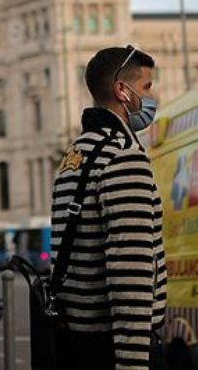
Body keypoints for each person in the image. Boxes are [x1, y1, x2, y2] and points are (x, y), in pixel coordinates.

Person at [50, 45, 168, 369]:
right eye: (146, 87)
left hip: (78, 342)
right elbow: (130, 274)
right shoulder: (123, 156)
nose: (152, 96)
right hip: (116, 349)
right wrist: (133, 363)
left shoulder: (75, 156)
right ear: (122, 90)